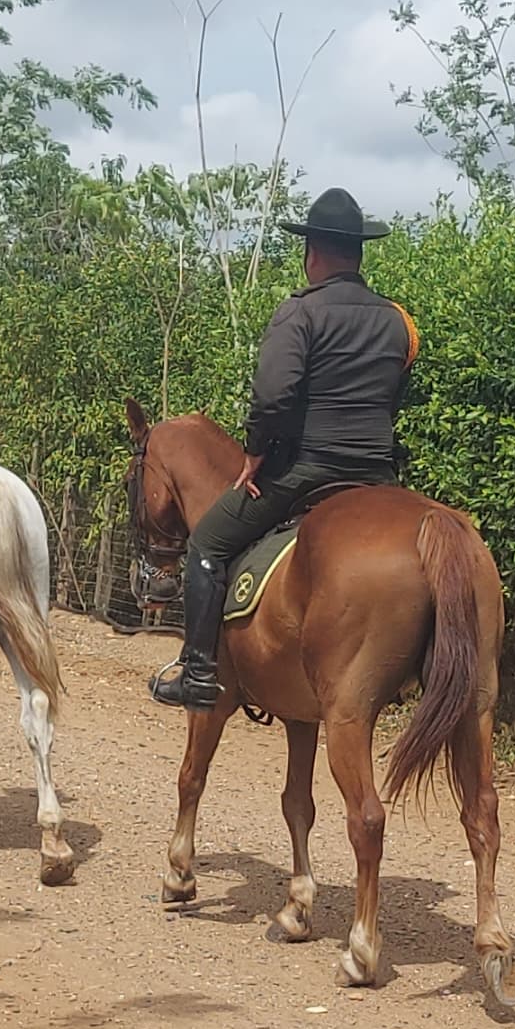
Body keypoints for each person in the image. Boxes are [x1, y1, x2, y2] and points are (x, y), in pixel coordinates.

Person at [148, 187, 419, 710]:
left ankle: (198, 672)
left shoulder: (300, 312)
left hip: (307, 470)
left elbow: (273, 396)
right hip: (377, 475)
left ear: (312, 252)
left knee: (207, 543)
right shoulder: (398, 321)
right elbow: (393, 395)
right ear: (359, 253)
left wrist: (255, 453)